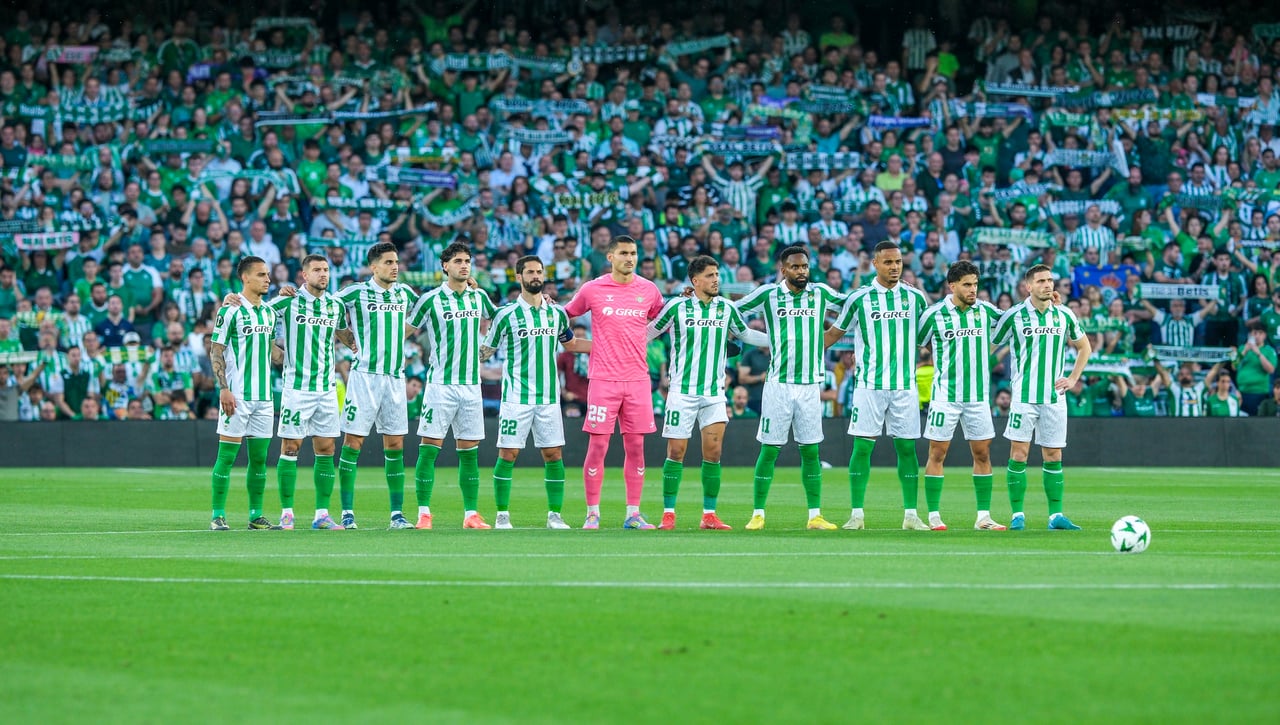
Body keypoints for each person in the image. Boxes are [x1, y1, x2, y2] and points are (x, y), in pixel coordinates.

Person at [648, 255, 770, 530]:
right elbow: (650, 332)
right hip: (682, 391)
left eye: (717, 274)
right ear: (695, 280)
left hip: (714, 393)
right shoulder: (677, 307)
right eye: (711, 275)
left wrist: (780, 341)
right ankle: (668, 514)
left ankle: (709, 515)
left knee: (713, 453)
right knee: (676, 451)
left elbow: (746, 334)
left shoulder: (726, 309)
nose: (717, 279)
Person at [736, 245, 847, 531]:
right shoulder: (768, 294)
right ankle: (758, 513)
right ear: (783, 270)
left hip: (810, 385)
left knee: (811, 451)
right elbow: (732, 311)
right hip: (779, 385)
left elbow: (852, 304)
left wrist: (890, 290)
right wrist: (756, 339)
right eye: (795, 267)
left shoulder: (821, 292)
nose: (801, 272)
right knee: (770, 449)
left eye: (805, 267)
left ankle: (815, 515)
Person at [825, 241, 930, 531]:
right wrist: (803, 349)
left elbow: (926, 335)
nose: (895, 267)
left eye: (898, 262)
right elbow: (835, 333)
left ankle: (911, 515)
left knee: (907, 449)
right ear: (875, 264)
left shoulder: (915, 297)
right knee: (861, 449)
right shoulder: (859, 298)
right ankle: (856, 514)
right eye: (888, 262)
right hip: (869, 385)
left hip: (905, 386)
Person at [480, 255, 590, 530]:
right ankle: (502, 515)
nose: (535, 276)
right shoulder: (506, 315)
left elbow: (571, 344)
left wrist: (609, 344)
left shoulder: (556, 313)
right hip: (516, 397)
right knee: (508, 454)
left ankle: (555, 515)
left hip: (549, 398)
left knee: (553, 454)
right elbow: (486, 350)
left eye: (539, 271)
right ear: (519, 277)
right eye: (530, 271)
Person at [563, 235, 665, 530]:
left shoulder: (649, 290)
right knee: (598, 447)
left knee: (636, 448)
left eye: (633, 253)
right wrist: (567, 340)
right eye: (623, 253)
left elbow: (665, 319)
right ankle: (592, 512)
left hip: (637, 380)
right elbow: (565, 314)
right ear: (610, 257)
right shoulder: (593, 289)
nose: (630, 258)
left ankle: (633, 514)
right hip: (603, 380)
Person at [991, 264, 1093, 531]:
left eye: (1050, 280)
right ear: (1028, 286)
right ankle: (1017, 515)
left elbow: (1084, 347)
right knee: (1019, 454)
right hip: (1023, 397)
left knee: (1053, 455)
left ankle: (1056, 515)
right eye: (1041, 281)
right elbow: (989, 346)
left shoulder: (1064, 315)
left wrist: (1072, 378)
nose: (1048, 285)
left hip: (1053, 398)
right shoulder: (1014, 316)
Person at [406, 242, 497, 530]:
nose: (464, 265)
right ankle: (423, 513)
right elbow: (406, 331)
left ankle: (471, 514)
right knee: (429, 449)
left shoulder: (479, 297)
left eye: (467, 260)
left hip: (471, 385)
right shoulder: (430, 299)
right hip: (440, 385)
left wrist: (487, 349)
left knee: (469, 451)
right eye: (458, 260)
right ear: (445, 266)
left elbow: (500, 318)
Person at [267, 255, 358, 530]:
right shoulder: (288, 301)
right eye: (317, 270)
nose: (323, 274)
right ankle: (287, 513)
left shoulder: (334, 305)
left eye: (326, 270)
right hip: (297, 388)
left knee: (326, 449)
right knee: (291, 447)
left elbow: (343, 332)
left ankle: (321, 514)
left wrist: (357, 345)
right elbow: (258, 313)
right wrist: (274, 351)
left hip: (326, 389)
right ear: (304, 275)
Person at [334, 242, 420, 530]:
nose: (395, 267)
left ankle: (397, 514)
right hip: (364, 377)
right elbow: (323, 305)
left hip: (395, 377)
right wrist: (346, 337)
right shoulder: (356, 292)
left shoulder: (405, 293)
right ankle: (347, 512)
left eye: (396, 262)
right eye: (388, 262)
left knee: (395, 443)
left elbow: (428, 309)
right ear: (374, 267)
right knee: (353, 442)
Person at [917, 260, 1007, 531]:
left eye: (975, 284)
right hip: (946, 395)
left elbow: (1013, 319)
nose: (973, 290)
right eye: (967, 285)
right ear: (952, 285)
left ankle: (983, 516)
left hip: (978, 396)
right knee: (937, 452)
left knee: (982, 453)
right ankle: (933, 515)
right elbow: (918, 342)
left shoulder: (986, 311)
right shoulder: (934, 315)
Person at [207, 256, 280, 531]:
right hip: (236, 396)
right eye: (262, 275)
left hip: (264, 398)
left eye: (268, 274)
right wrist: (223, 389)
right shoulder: (230, 311)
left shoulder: (270, 313)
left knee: (259, 459)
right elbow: (216, 351)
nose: (268, 279)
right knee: (226, 457)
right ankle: (217, 514)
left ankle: (256, 515)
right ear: (246, 278)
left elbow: (272, 352)